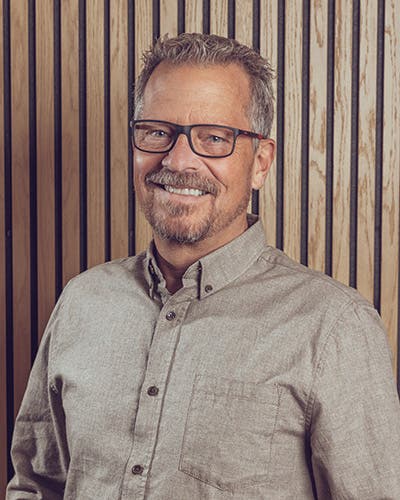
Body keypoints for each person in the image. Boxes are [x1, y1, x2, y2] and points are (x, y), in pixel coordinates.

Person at [7, 33, 400, 499]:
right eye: (157, 132)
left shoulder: (333, 328)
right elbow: (36, 485)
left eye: (214, 138)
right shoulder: (82, 301)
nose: (178, 160)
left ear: (260, 162)